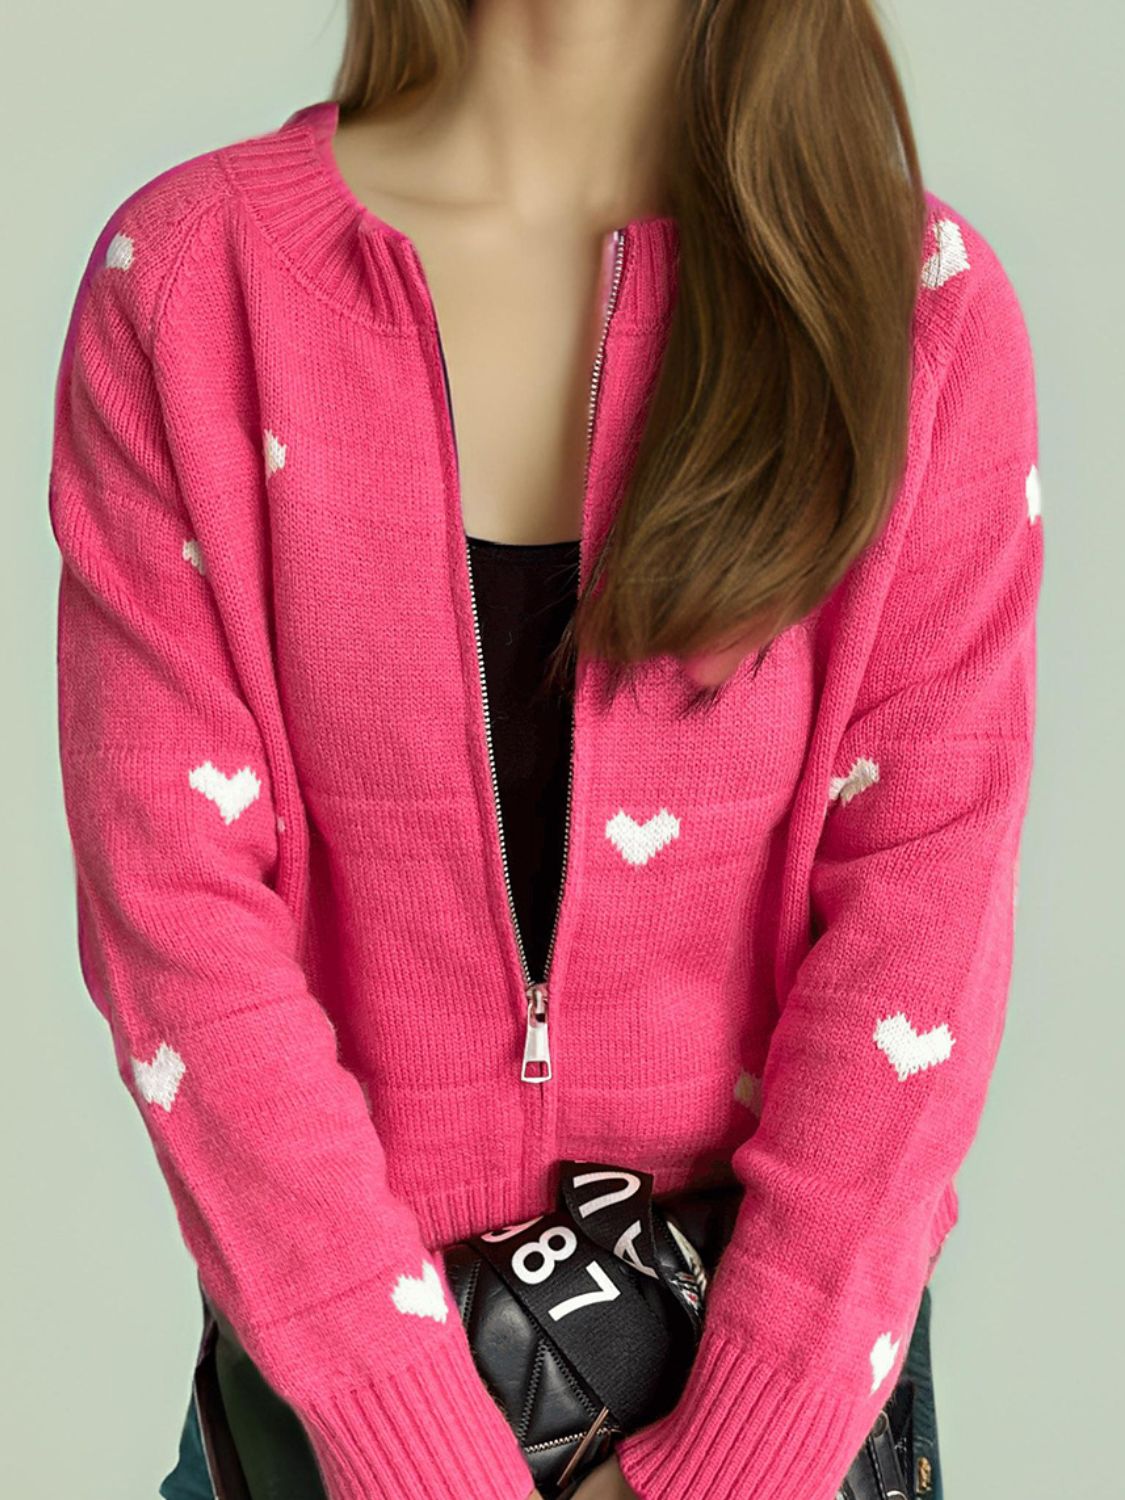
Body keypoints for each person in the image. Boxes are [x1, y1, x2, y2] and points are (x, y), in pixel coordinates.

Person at [48, 1, 1041, 1497]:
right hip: (334, 1441)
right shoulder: (195, 285)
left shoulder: (915, 310)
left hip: (771, 1445)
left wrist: (731, 1462)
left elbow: (924, 924)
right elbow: (172, 912)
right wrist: (410, 1445)